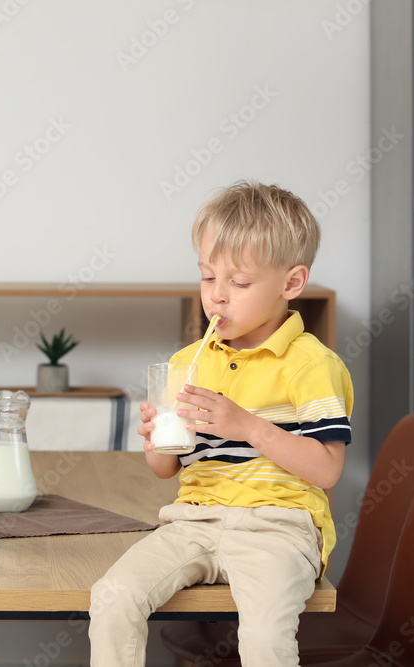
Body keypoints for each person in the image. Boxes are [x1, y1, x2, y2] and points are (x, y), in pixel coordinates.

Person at [88, 181, 353, 666]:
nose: (218, 298)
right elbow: (167, 471)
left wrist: (249, 426)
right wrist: (158, 441)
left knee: (265, 637)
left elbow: (327, 470)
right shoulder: (189, 362)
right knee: (112, 596)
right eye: (208, 278)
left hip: (280, 526)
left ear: (291, 284)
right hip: (193, 521)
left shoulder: (312, 364)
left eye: (239, 283)